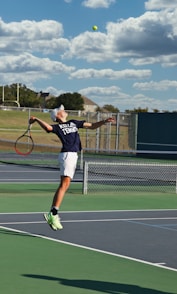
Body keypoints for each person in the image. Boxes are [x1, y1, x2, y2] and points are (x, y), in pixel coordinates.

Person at [29, 105, 115, 231]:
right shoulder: (57, 127)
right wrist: (36, 119)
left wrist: (104, 122)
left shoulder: (73, 123)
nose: (64, 110)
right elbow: (48, 128)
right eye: (61, 110)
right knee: (64, 184)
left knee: (65, 184)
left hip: (73, 155)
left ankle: (53, 212)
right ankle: (53, 213)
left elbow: (91, 126)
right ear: (57, 115)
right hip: (67, 154)